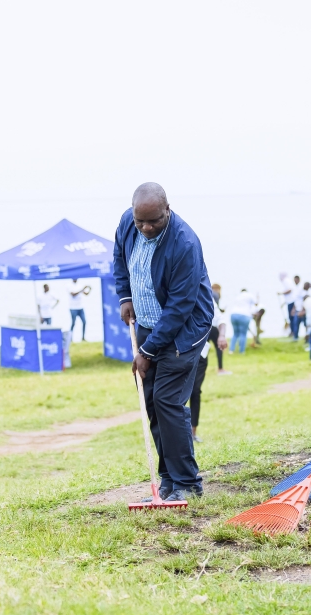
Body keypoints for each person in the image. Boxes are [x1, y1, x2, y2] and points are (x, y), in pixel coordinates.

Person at [113, 183, 214, 501]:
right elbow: (119, 258)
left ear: (168, 210)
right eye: (140, 221)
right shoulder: (128, 223)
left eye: (154, 220)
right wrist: (125, 296)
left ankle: (187, 483)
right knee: (152, 403)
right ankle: (168, 480)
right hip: (146, 324)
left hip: (183, 330)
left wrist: (147, 351)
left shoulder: (184, 243)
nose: (146, 227)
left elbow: (180, 307)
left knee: (168, 401)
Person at [190, 306, 227, 442]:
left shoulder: (206, 297)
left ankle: (192, 432)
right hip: (178, 353)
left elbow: (220, 320)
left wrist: (221, 336)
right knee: (177, 394)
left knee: (195, 391)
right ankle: (178, 432)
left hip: (200, 354)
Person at [208, 283, 230, 375]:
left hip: (203, 327)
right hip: (213, 324)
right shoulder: (215, 294)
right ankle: (220, 369)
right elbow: (215, 310)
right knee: (219, 347)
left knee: (202, 349)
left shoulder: (206, 292)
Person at [229, 288, 258, 354]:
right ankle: (241, 351)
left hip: (234, 314)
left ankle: (231, 350)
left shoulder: (238, 296)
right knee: (243, 334)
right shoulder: (250, 295)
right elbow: (256, 304)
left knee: (235, 333)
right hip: (245, 315)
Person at [291, 275, 304, 340]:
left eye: (295, 280)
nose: (295, 281)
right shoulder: (295, 288)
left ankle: (307, 338)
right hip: (297, 309)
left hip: (301, 309)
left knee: (305, 324)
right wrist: (293, 309)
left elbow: (304, 299)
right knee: (295, 323)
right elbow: (295, 300)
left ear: (298, 279)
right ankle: (295, 337)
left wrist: (302, 310)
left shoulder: (301, 288)